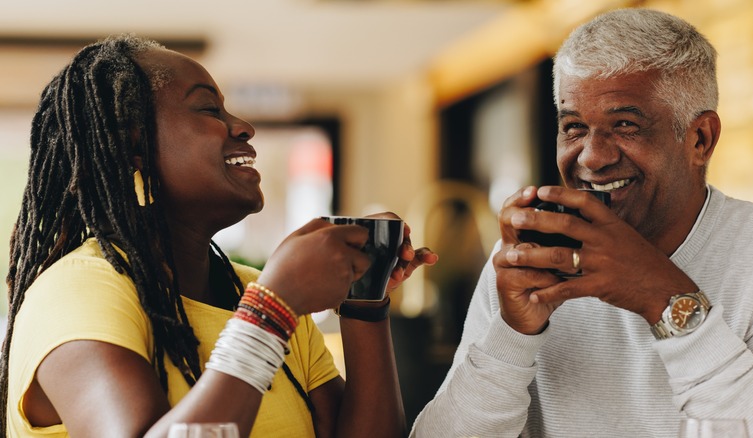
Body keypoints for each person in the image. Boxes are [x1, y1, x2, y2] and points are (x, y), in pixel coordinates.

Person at [0, 34, 437, 437]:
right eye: (209, 109)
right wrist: (272, 309)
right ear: (134, 147)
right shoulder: (80, 289)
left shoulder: (252, 292)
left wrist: (364, 299)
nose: (243, 126)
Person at [411, 8, 753, 438]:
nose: (590, 156)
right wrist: (512, 335)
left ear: (700, 139)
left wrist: (665, 299)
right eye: (573, 128)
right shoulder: (529, 260)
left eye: (625, 125)